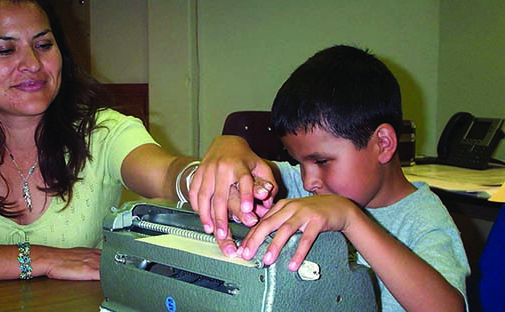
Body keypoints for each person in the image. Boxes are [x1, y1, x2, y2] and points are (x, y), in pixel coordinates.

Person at [0, 0, 262, 284]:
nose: (32, 63)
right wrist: (44, 258)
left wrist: (203, 175)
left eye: (43, 44)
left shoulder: (103, 130)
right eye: (4, 50)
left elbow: (166, 172)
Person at [191, 45, 470, 311]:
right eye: (296, 161)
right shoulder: (296, 186)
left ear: (382, 144)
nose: (309, 180)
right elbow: (233, 172)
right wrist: (230, 145)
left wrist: (351, 219)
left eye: (321, 161)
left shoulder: (423, 219)